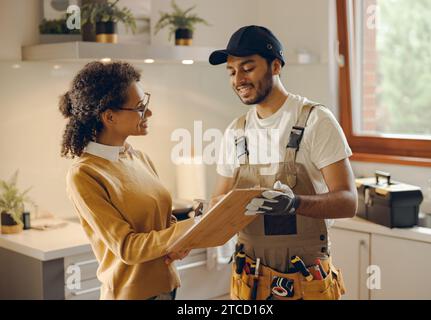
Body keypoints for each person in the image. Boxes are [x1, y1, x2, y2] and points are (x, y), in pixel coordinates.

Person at [209, 25, 357, 300]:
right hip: (249, 281)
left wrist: (294, 203)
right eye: (231, 71)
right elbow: (219, 202)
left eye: (247, 67)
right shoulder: (235, 132)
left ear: (275, 66)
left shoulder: (316, 121)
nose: (238, 78)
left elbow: (348, 202)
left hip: (305, 280)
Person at [60, 61, 193, 300]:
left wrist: (183, 239)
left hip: (167, 287)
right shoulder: (85, 174)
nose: (149, 113)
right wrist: (185, 231)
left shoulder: (139, 157)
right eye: (140, 107)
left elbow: (162, 223)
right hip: (131, 294)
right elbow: (127, 247)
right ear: (109, 116)